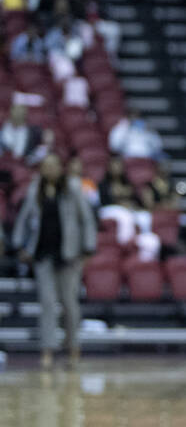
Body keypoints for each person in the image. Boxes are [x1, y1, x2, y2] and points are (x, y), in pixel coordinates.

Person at [12, 153, 96, 371]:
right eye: (45, 166)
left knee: (69, 304)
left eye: (53, 165)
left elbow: (86, 219)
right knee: (47, 303)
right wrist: (20, 244)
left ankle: (73, 348)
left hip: (68, 255)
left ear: (60, 167)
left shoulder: (73, 187)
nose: (49, 170)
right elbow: (24, 218)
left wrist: (88, 248)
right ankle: (48, 349)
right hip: (43, 255)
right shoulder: (35, 189)